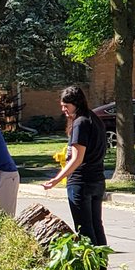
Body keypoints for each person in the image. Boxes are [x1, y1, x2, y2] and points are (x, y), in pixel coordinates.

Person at [42, 85, 108, 248]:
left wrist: (56, 179)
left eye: (66, 105)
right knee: (96, 226)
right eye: (62, 105)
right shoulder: (94, 119)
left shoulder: (80, 123)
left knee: (85, 229)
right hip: (97, 180)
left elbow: (77, 158)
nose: (63, 109)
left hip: (81, 182)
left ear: (77, 103)